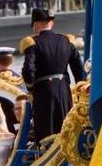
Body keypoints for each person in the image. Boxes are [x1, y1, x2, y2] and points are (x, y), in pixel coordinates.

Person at [21, 8, 84, 143]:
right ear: (51, 23)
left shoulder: (33, 43)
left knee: (45, 129)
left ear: (36, 25)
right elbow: (78, 68)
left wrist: (31, 89)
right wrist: (79, 90)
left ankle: (46, 157)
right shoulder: (66, 41)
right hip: (63, 90)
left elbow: (28, 70)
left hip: (43, 91)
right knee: (65, 126)